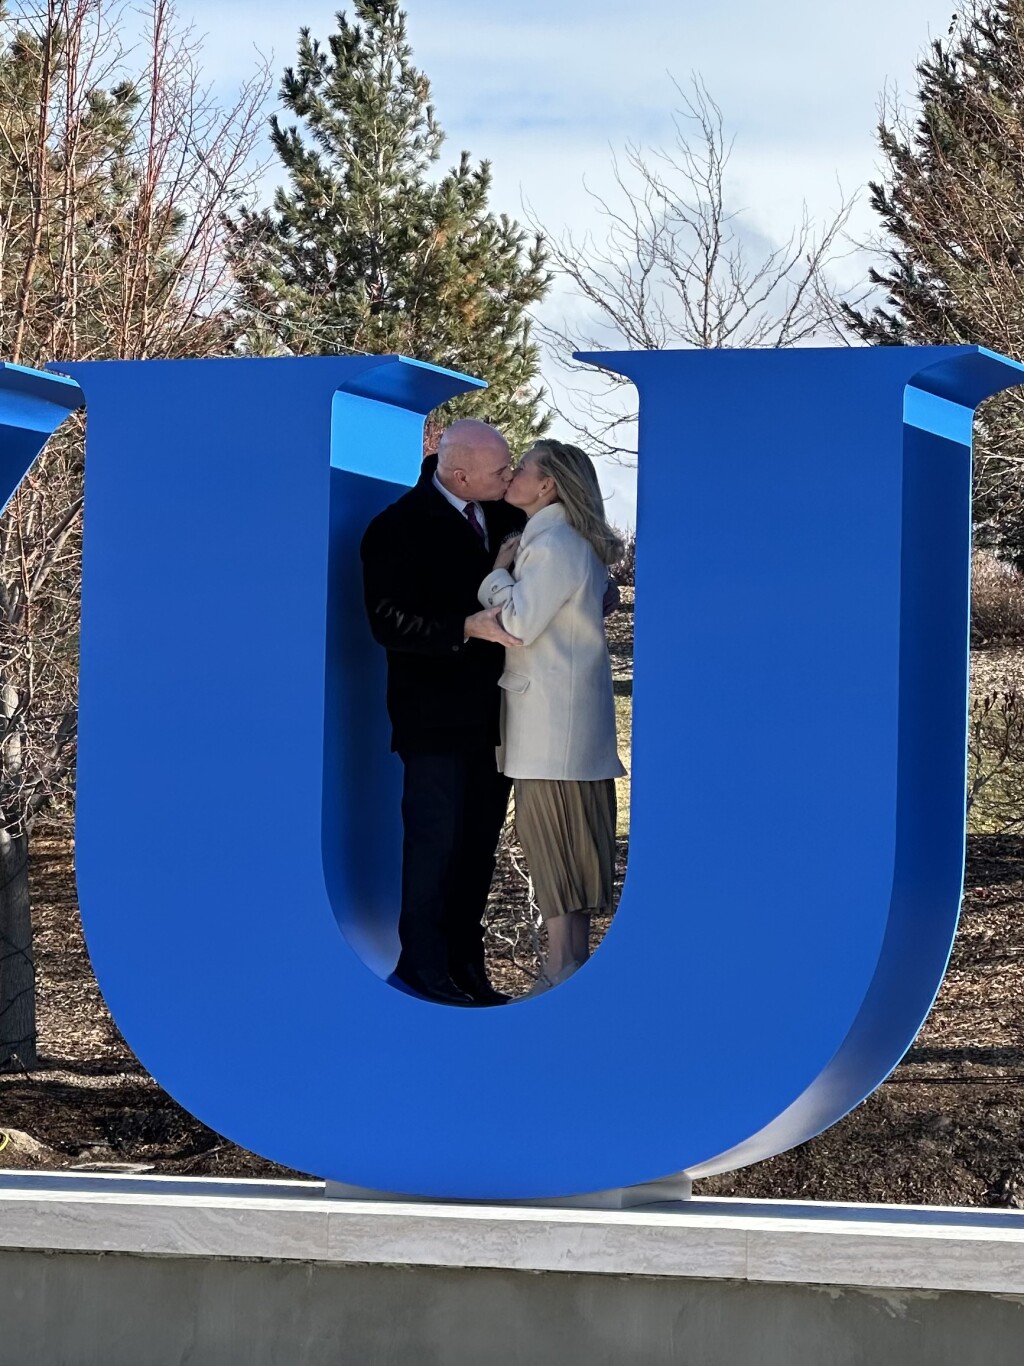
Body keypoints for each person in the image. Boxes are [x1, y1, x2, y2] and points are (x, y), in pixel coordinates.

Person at [360, 419, 526, 1006]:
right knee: (434, 847)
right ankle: (422, 968)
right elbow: (388, 622)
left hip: (499, 717)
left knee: (478, 847)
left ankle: (465, 965)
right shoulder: (396, 528)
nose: (510, 477)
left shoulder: (506, 516)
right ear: (458, 475)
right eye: (500, 470)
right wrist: (464, 628)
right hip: (432, 721)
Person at [479, 439, 625, 992]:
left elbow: (516, 623)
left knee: (557, 854)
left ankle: (560, 973)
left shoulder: (552, 544)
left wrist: (496, 574)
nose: (513, 473)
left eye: (523, 468)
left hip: (550, 734)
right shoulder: (568, 541)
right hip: (565, 731)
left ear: (547, 486)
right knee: (571, 855)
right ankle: (566, 969)